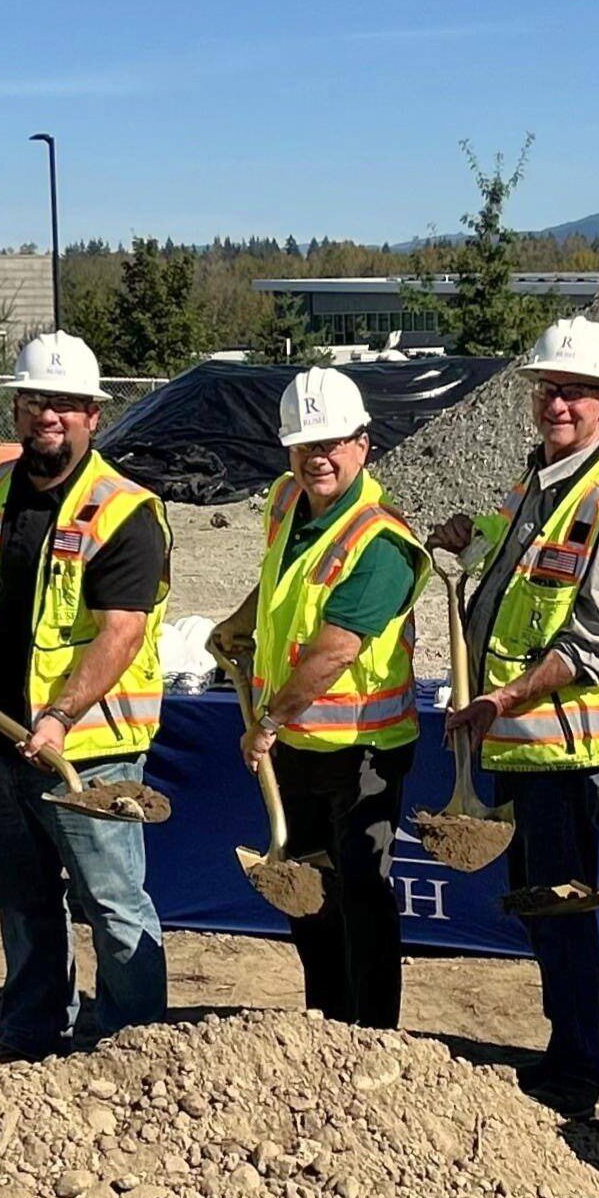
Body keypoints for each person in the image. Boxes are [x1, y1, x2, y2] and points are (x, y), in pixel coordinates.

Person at [0, 330, 173, 1061]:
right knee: (21, 902)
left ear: (93, 414)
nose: (47, 414)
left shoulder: (124, 511)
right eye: (33, 400)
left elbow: (119, 632)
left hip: (91, 754)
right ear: (16, 408)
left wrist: (59, 714)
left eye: (65, 403)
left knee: (112, 904)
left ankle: (133, 1048)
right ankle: (32, 1036)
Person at [428, 316, 599, 1112]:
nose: (559, 403)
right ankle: (583, 1032)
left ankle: (580, 1065)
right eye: (550, 389)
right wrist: (468, 533)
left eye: (577, 392)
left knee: (560, 911)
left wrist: (503, 697)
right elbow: (510, 566)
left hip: (565, 748)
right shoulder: (538, 486)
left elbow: (593, 644)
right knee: (541, 911)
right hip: (521, 748)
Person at [207, 366, 424, 1028]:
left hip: (363, 750)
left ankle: (373, 1034)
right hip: (299, 743)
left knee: (361, 893)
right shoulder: (284, 500)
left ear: (363, 443)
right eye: (304, 445)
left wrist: (267, 721)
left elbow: (334, 650)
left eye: (331, 444)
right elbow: (280, 581)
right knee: (306, 890)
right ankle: (325, 1025)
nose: (317, 458)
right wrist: (241, 622)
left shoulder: (381, 541)